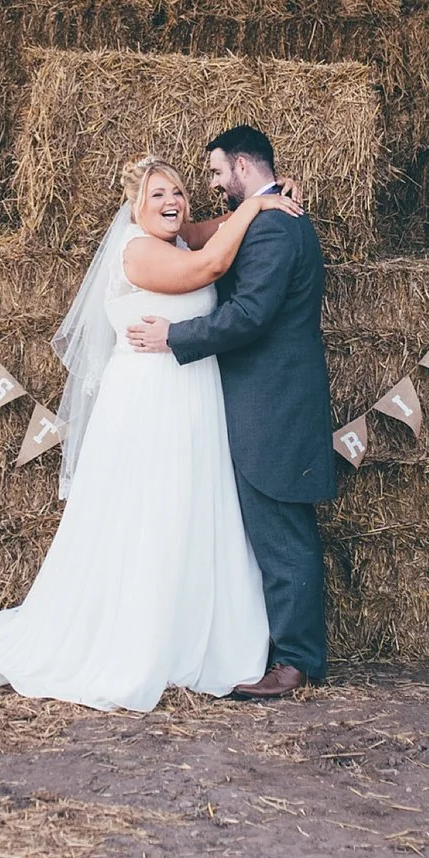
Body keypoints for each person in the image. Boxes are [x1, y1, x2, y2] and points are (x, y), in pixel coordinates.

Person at [0, 157, 294, 710]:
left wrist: (270, 198)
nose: (173, 200)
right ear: (135, 205)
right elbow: (208, 267)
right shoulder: (138, 251)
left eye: (180, 192)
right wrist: (255, 204)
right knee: (150, 514)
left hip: (191, 399)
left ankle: (194, 634)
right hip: (149, 403)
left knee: (190, 509)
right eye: (159, 193)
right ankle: (142, 640)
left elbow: (210, 234)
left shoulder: (178, 238)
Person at [127, 124, 335, 699]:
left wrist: (175, 336)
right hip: (262, 401)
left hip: (275, 403)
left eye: (218, 173)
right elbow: (197, 236)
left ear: (243, 167)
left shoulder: (273, 226)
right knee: (271, 531)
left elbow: (249, 316)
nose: (213, 185)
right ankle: (284, 652)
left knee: (283, 533)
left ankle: (297, 663)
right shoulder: (267, 215)